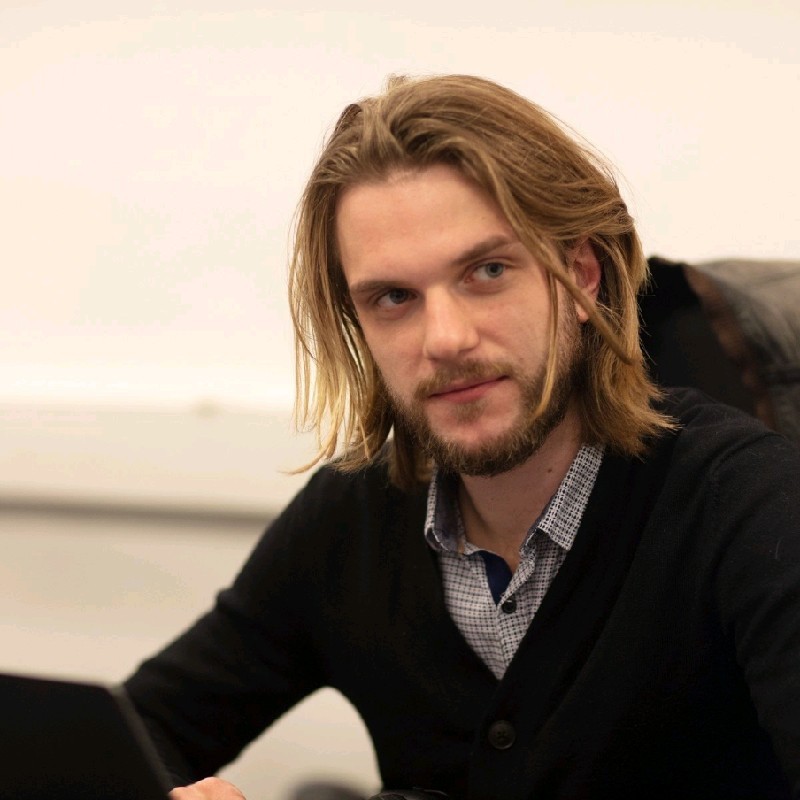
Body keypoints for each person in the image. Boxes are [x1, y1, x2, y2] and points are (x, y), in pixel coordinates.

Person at [124, 74, 800, 800]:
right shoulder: (353, 518)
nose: (444, 339)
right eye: (393, 298)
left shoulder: (747, 502)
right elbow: (132, 735)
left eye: (487, 271)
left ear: (579, 276)